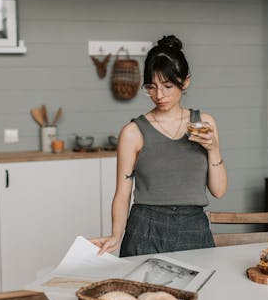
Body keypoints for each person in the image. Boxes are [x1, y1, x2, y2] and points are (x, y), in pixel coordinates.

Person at [91, 35, 227, 257]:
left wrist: (213, 148)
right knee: (144, 292)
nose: (159, 95)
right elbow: (123, 193)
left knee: (199, 292)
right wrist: (116, 234)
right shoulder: (132, 133)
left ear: (186, 82)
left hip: (194, 227)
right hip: (145, 227)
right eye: (151, 87)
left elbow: (219, 191)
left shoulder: (204, 124)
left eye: (167, 86)